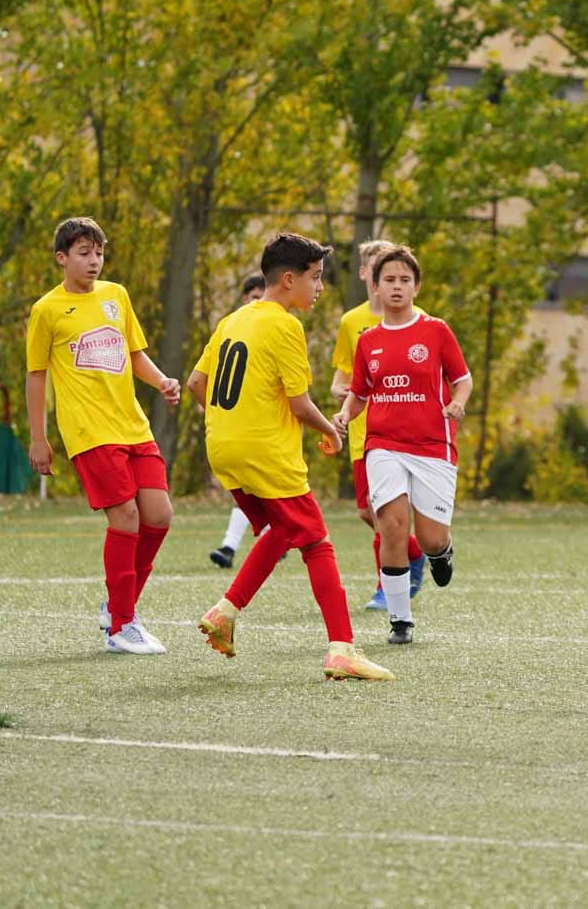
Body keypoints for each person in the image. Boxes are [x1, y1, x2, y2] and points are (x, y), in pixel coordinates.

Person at [191, 233, 392, 682]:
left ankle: (225, 612)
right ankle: (342, 648)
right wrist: (331, 431)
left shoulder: (233, 320)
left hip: (222, 448)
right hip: (265, 451)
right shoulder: (285, 325)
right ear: (288, 279)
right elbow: (300, 405)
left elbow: (194, 385)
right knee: (317, 542)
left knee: (283, 530)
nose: (320, 287)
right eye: (315, 278)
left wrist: (229, 420)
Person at [25, 216, 180, 656]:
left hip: (132, 425)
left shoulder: (117, 296)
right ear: (62, 258)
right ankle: (121, 626)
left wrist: (162, 381)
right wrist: (39, 438)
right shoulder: (47, 310)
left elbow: (134, 354)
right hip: (89, 432)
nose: (94, 261)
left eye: (98, 253)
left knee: (159, 515)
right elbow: (36, 376)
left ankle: (117, 605)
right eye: (83, 253)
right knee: (126, 517)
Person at [332, 245, 471, 645]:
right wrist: (345, 414)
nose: (396, 286)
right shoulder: (368, 340)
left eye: (404, 280)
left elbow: (462, 378)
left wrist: (457, 402)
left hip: (432, 445)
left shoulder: (436, 330)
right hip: (383, 444)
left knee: (430, 538)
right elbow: (359, 393)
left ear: (416, 286)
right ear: (374, 287)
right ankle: (400, 621)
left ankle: (441, 552)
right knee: (391, 525)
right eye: (389, 279)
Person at [329, 239, 426, 611]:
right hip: (362, 430)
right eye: (375, 266)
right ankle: (411, 554)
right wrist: (344, 393)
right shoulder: (351, 322)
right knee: (368, 512)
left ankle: (387, 587)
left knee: (386, 511)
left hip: (402, 433)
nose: (385, 277)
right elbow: (342, 378)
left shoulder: (417, 318)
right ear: (366, 274)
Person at [207, 272, 268, 570]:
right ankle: (238, 544)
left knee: (258, 491)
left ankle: (251, 540)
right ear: (245, 299)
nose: (259, 303)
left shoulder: (274, 330)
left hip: (264, 428)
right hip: (238, 428)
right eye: (255, 297)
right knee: (249, 490)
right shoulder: (231, 328)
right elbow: (201, 380)